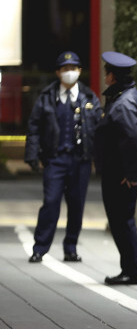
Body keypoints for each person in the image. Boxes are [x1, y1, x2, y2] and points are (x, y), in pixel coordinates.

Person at [24, 51, 102, 263]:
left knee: (76, 206)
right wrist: (32, 154)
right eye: (65, 69)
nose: (70, 72)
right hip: (55, 160)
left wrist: (100, 159)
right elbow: (34, 127)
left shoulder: (88, 97)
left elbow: (99, 129)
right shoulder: (47, 97)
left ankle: (71, 248)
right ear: (58, 73)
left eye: (73, 68)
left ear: (79, 71)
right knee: (50, 203)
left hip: (80, 160)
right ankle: (40, 248)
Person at [94, 51, 137, 285]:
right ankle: (130, 269)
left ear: (113, 77)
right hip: (121, 172)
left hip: (120, 175)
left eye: (107, 72)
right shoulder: (128, 96)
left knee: (121, 221)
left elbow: (131, 140)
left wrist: (130, 175)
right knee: (123, 221)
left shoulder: (123, 103)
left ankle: (132, 271)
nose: (105, 76)